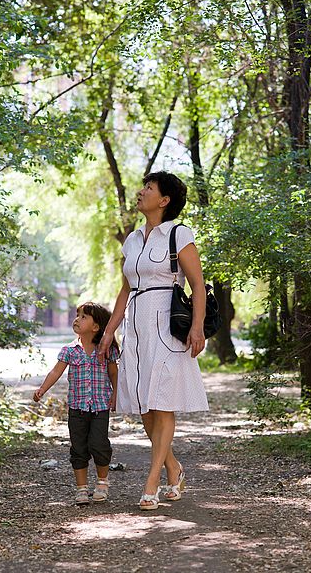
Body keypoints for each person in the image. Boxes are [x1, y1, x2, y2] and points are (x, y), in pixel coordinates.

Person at [98, 170, 209, 511]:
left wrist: (198, 326)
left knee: (162, 401)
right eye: (143, 185)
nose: (141, 191)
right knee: (146, 405)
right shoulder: (132, 240)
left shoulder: (178, 234)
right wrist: (109, 331)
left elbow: (198, 284)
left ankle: (152, 483)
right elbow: (126, 288)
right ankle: (173, 468)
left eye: (149, 187)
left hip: (167, 322)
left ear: (164, 200)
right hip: (137, 326)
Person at [33, 302, 119, 505]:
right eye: (77, 315)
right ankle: (81, 489)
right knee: (78, 448)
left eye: (83, 317)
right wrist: (42, 389)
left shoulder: (105, 349)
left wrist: (116, 393)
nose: (76, 319)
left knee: (99, 444)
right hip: (77, 408)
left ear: (96, 326)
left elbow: (113, 372)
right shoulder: (69, 350)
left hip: (100, 407)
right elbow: (56, 371)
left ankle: (102, 482)